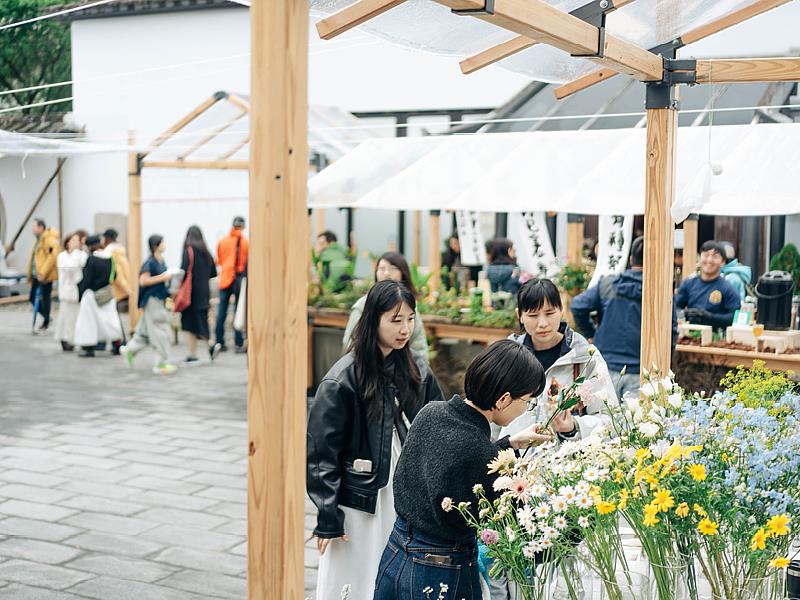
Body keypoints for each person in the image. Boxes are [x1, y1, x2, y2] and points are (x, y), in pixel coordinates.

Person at [374, 340, 551, 600]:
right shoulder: (478, 451)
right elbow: (524, 536)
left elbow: (453, 468)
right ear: (503, 399)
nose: (527, 408)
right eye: (527, 400)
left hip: (395, 554)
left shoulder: (430, 413)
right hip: (440, 571)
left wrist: (508, 444)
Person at [307, 280, 444, 600]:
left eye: (410, 318)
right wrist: (328, 517)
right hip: (360, 496)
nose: (405, 328)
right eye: (395, 320)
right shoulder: (343, 378)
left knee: (393, 572)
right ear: (373, 320)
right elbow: (320, 453)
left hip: (403, 488)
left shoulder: (417, 369)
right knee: (354, 575)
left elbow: (438, 423)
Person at [502, 278, 617, 441]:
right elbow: (490, 416)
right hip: (513, 461)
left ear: (561, 310)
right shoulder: (507, 358)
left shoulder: (585, 356)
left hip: (564, 463)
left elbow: (611, 418)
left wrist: (574, 427)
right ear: (519, 315)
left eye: (549, 313)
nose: (542, 323)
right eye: (533, 315)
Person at [571, 237, 677, 398]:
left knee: (602, 420)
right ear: (657, 260)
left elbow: (578, 305)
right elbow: (671, 333)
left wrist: (591, 334)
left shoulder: (608, 285)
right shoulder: (661, 292)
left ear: (630, 259)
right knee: (636, 422)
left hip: (604, 367)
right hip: (642, 371)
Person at [342, 251, 428, 361]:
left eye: (392, 268)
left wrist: (419, 371)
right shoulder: (363, 305)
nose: (387, 273)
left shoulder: (411, 306)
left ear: (403, 272)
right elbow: (350, 344)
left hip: (403, 371)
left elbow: (419, 346)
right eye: (382, 269)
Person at [121, 234, 180, 375]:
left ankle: (129, 351)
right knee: (161, 331)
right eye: (162, 242)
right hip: (153, 301)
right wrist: (164, 277)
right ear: (155, 245)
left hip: (159, 299)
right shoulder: (150, 263)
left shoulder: (161, 261)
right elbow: (143, 281)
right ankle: (160, 364)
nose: (164, 244)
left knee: (144, 333)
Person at [73, 235, 124, 357]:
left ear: (90, 246)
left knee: (88, 322)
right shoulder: (110, 258)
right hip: (107, 293)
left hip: (91, 295)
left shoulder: (91, 259)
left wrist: (81, 293)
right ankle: (116, 344)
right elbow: (114, 276)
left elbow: (87, 279)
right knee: (111, 320)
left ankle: (89, 348)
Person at [675, 240, 741, 330]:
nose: (709, 260)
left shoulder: (728, 288)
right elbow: (674, 307)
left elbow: (736, 317)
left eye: (715, 256)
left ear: (722, 262)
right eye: (706, 255)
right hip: (688, 336)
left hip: (717, 339)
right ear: (700, 258)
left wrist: (710, 317)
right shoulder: (689, 283)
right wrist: (685, 314)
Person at [179, 225, 219, 365]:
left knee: (189, 324)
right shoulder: (206, 252)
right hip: (204, 293)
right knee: (202, 322)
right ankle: (210, 346)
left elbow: (182, 272)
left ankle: (194, 353)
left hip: (190, 295)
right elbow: (213, 273)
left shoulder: (188, 251)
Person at [214, 216, 248, 353]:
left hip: (225, 277)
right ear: (243, 226)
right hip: (238, 279)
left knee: (221, 310)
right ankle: (238, 342)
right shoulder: (246, 243)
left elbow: (220, 260)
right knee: (237, 310)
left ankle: (219, 341)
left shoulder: (222, 241)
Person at [54, 231, 88, 351]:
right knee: (65, 317)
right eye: (72, 240)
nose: (75, 243)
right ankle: (64, 339)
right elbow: (69, 269)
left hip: (77, 291)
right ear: (67, 242)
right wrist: (75, 256)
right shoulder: (62, 256)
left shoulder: (82, 255)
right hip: (65, 291)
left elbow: (84, 268)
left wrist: (76, 255)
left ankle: (73, 340)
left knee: (76, 318)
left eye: (77, 241)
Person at [27, 218, 60, 333]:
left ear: (41, 227)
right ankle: (47, 318)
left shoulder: (49, 239)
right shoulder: (39, 240)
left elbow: (52, 257)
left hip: (45, 275)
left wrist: (43, 273)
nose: (32, 229)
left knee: (45, 298)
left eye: (34, 226)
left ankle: (46, 321)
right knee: (33, 297)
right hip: (37, 274)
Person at [101, 228, 132, 312]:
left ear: (107, 238)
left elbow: (117, 274)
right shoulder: (120, 251)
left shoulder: (110, 253)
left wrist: (127, 289)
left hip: (116, 293)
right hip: (124, 290)